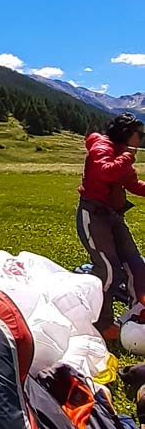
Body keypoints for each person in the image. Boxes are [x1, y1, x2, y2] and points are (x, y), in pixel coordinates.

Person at [77, 114, 145, 340]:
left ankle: (138, 313)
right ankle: (102, 324)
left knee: (137, 264)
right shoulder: (102, 146)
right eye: (140, 135)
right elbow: (106, 171)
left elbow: (132, 184)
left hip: (114, 216)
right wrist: (127, 155)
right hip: (94, 215)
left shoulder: (122, 153)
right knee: (108, 270)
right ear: (127, 134)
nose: (142, 139)